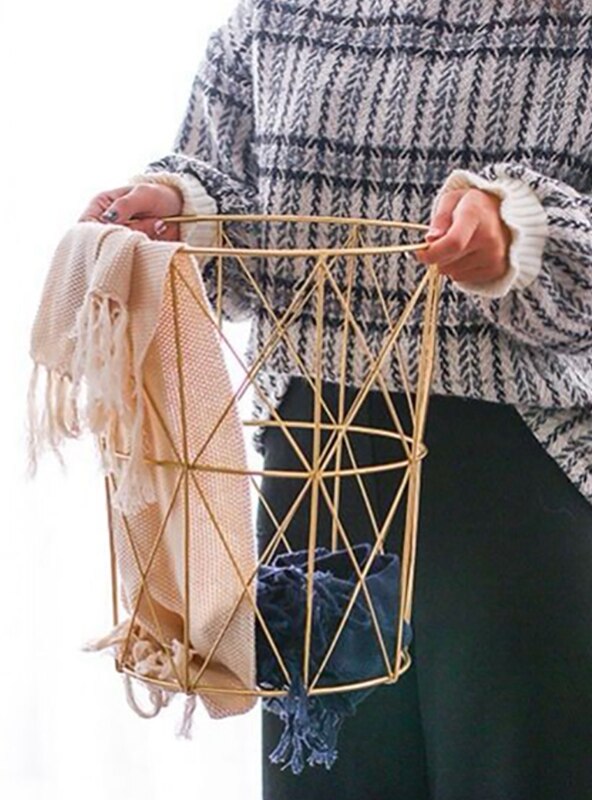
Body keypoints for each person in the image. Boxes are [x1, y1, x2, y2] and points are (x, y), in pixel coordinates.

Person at [79, 0, 592, 797]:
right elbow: (228, 193)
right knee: (327, 778)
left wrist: (524, 234)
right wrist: (182, 213)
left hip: (519, 484)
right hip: (313, 467)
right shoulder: (272, 15)